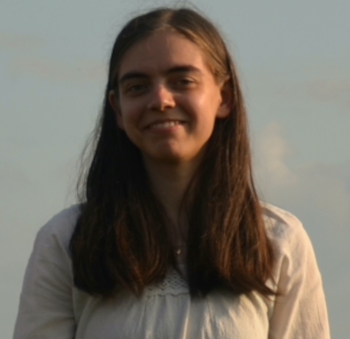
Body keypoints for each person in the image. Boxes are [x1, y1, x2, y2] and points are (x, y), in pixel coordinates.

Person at [13, 7, 330, 339]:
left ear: (224, 98)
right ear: (117, 109)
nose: (161, 100)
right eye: (137, 87)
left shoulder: (278, 243)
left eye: (183, 81)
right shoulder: (65, 242)